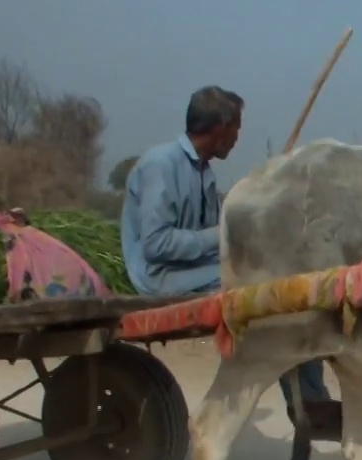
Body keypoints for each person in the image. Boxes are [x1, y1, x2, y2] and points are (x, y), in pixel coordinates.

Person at [119, 85, 341, 435]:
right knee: (271, 295)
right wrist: (224, 233)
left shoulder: (203, 172)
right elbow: (157, 245)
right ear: (220, 127)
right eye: (237, 127)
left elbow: (219, 233)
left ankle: (309, 395)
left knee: (284, 284)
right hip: (160, 275)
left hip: (192, 269)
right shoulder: (161, 165)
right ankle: (309, 400)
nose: (238, 137)